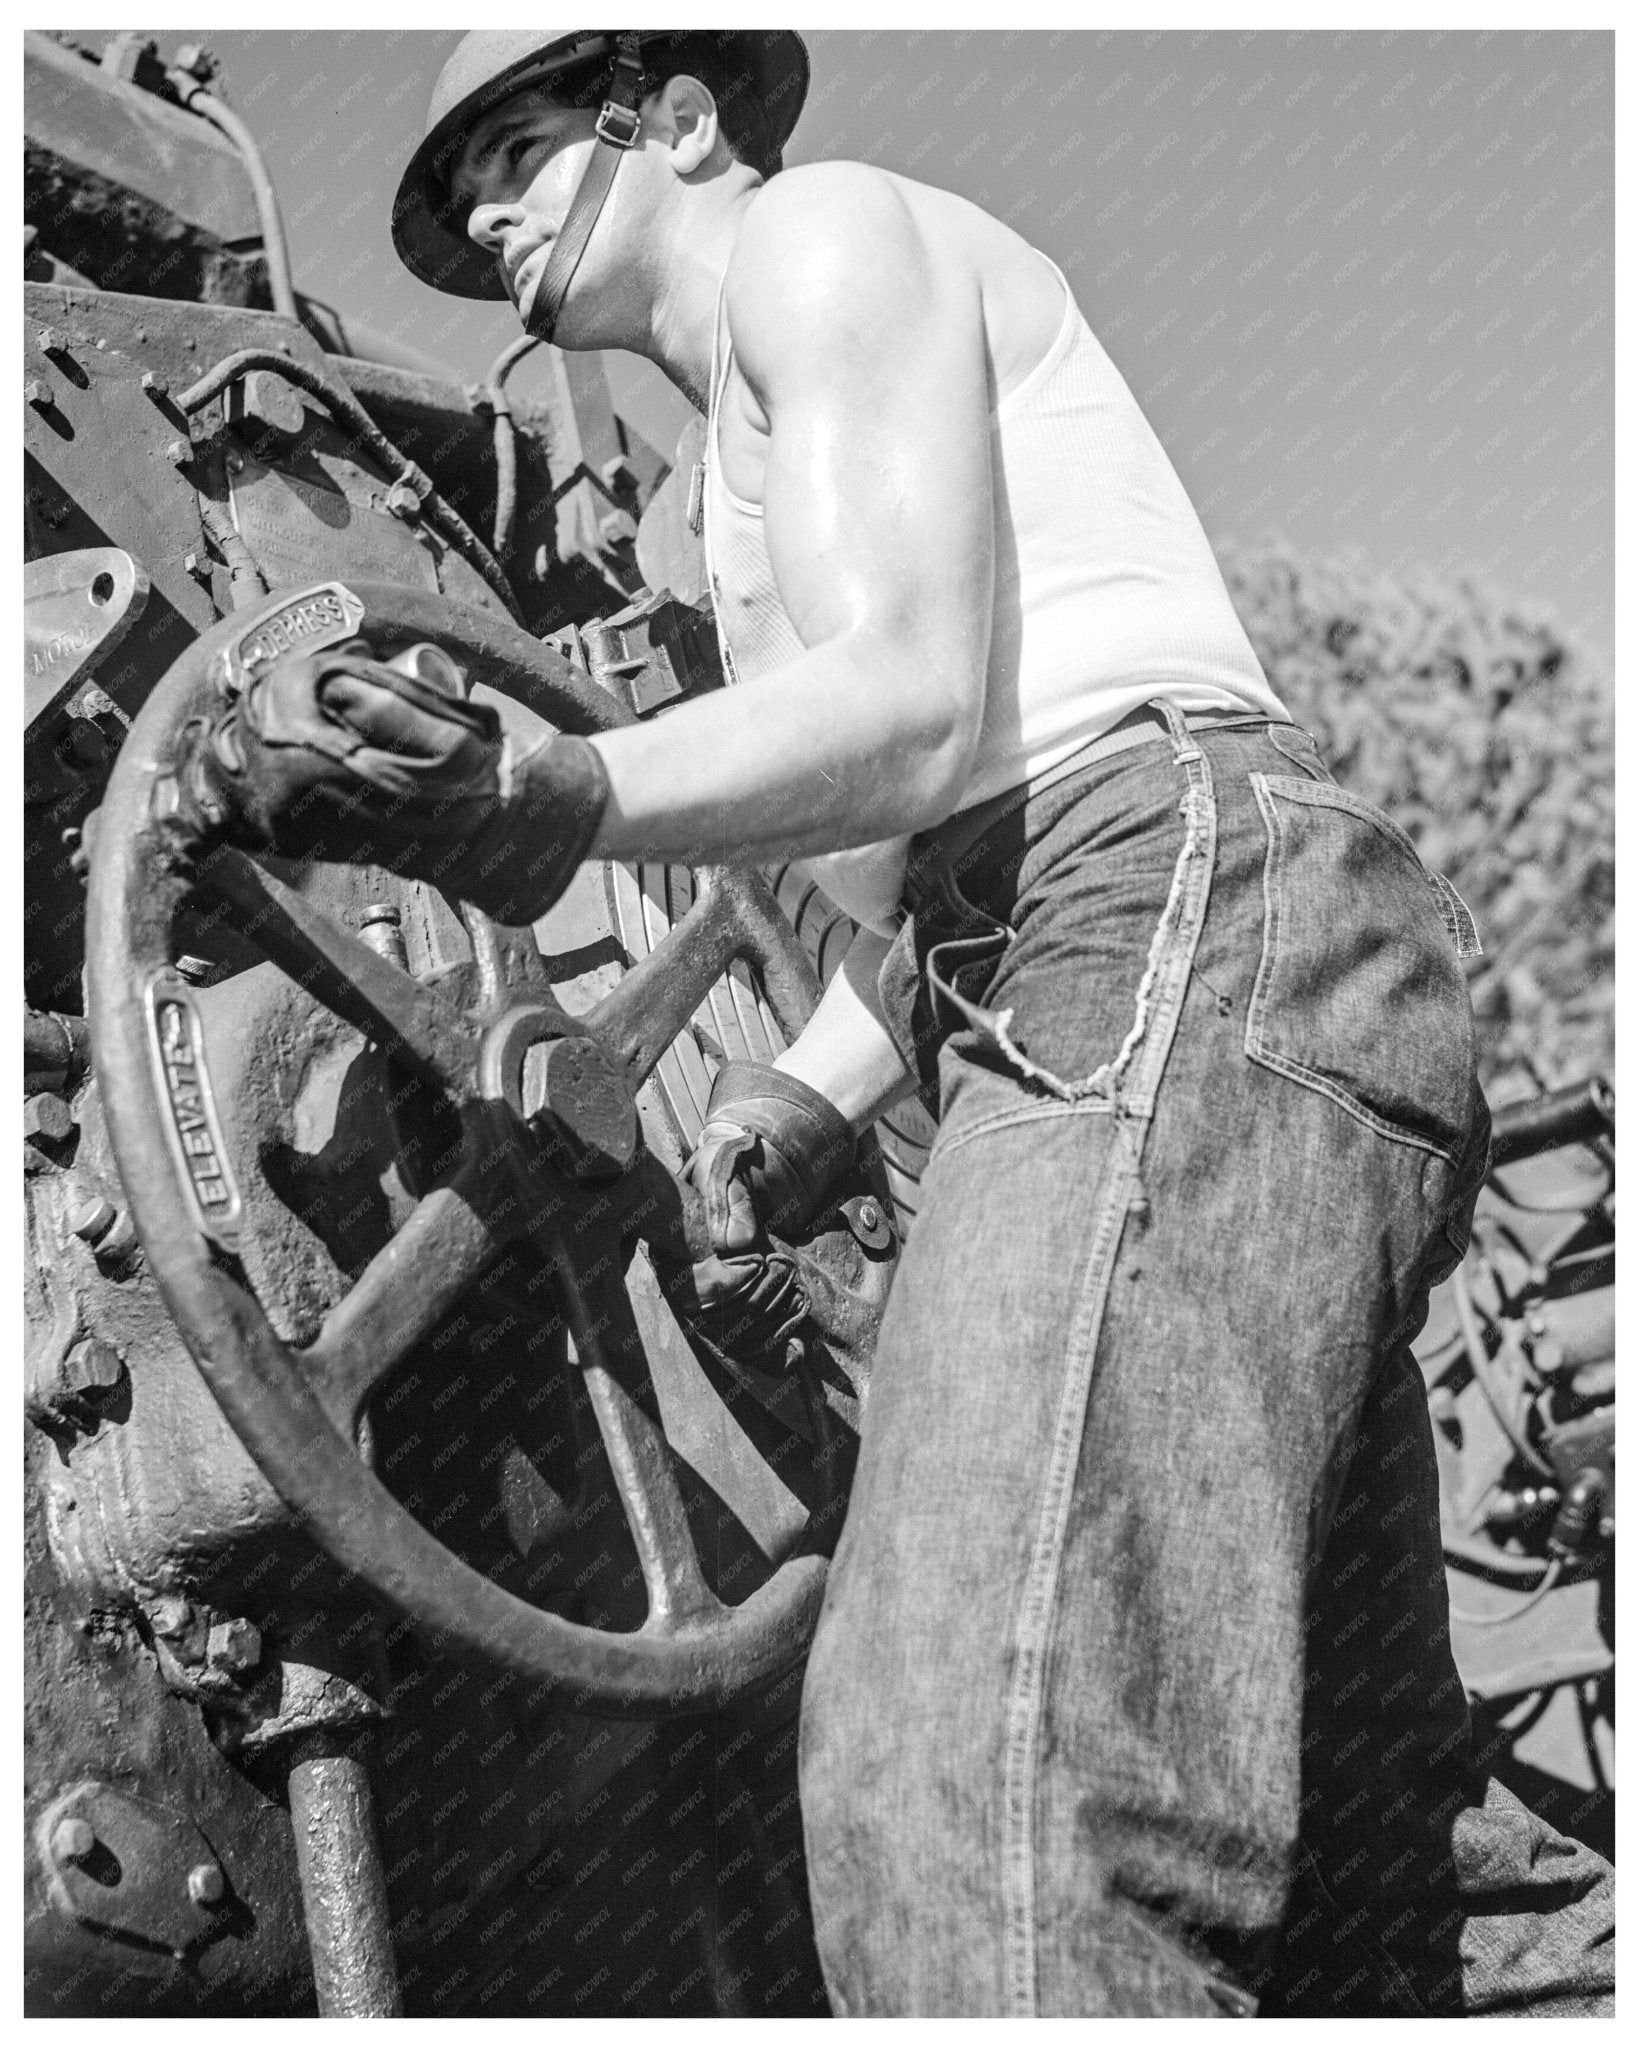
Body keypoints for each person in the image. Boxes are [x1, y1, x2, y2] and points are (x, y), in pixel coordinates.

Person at [194, 30, 1615, 2017]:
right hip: (1139, 958)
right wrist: (789, 1100)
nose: (487, 215)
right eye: (455, 204)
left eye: (515, 153)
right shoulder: (725, 489)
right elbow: (920, 890)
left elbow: (928, 706)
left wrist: (556, 794)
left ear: (679, 118)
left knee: (971, 1766)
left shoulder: (818, 243)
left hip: (1162, 908)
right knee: (1353, 1856)